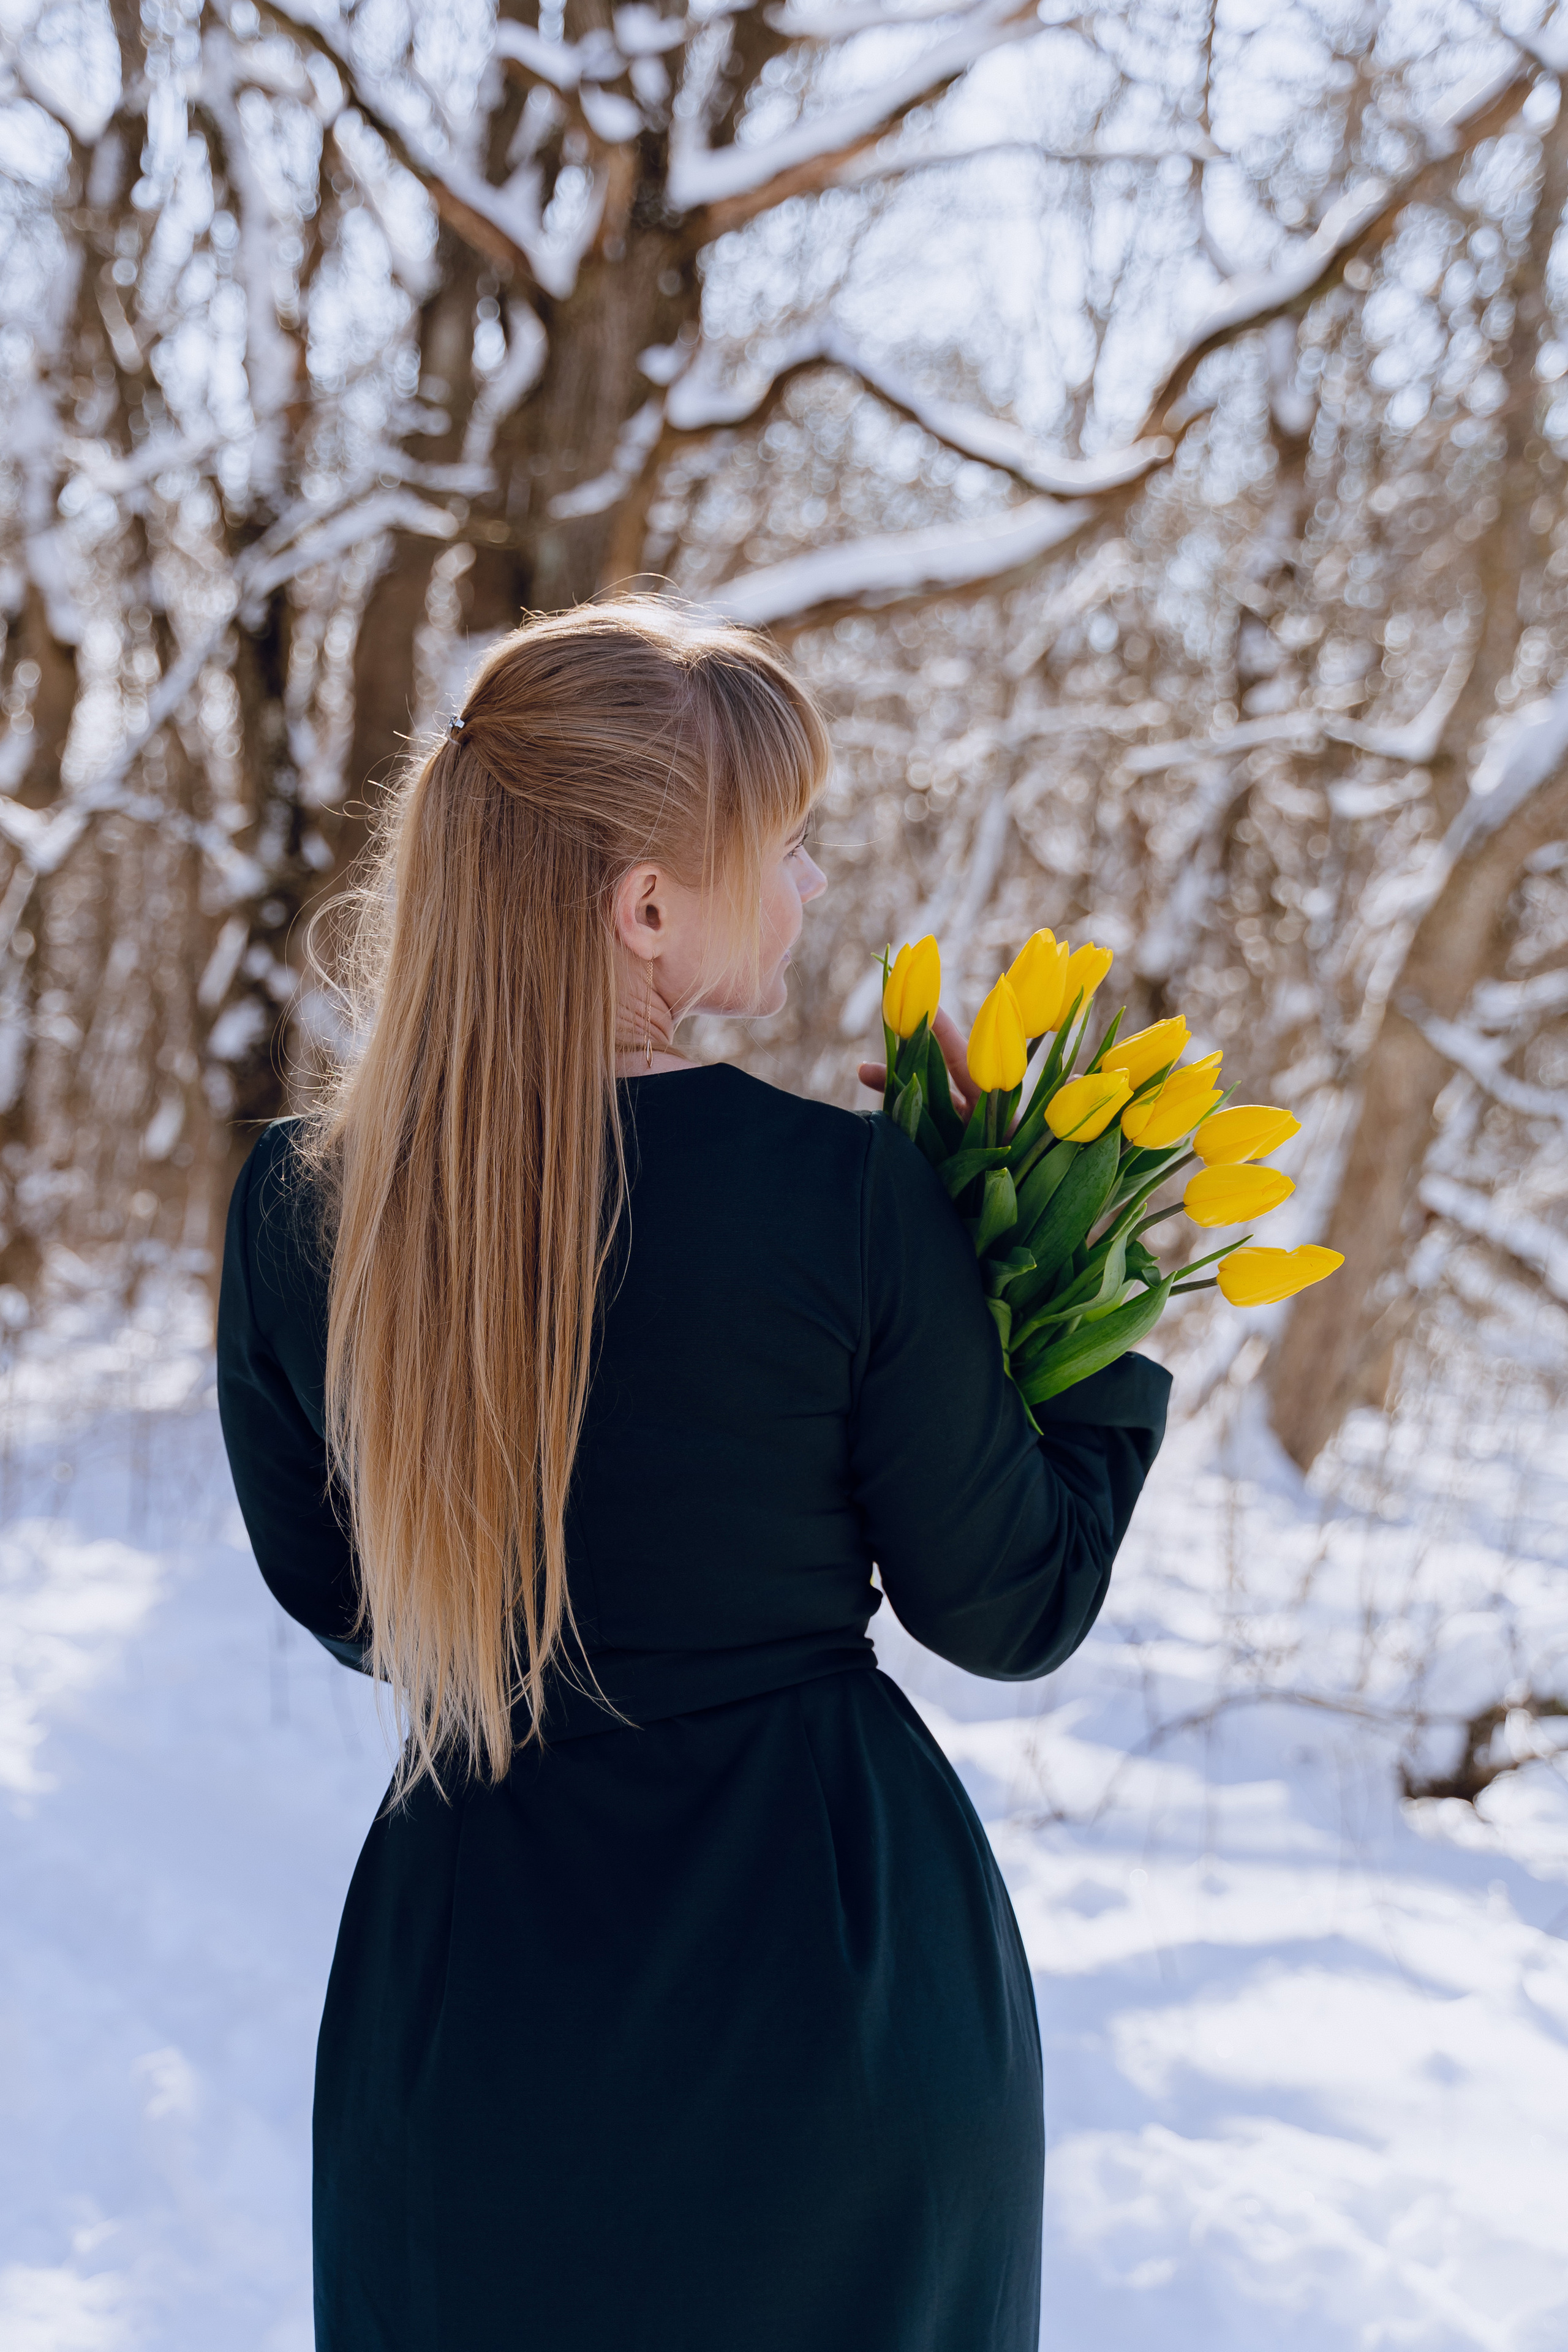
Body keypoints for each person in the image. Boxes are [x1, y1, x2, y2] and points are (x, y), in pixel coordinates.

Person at [216, 598, 1170, 2352]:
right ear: (647, 904)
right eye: (785, 847)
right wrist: (1078, 1288)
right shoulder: (850, 1200)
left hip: (473, 2008)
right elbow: (1010, 1604)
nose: (810, 887)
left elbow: (355, 1609)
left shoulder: (301, 1207)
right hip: (832, 1999)